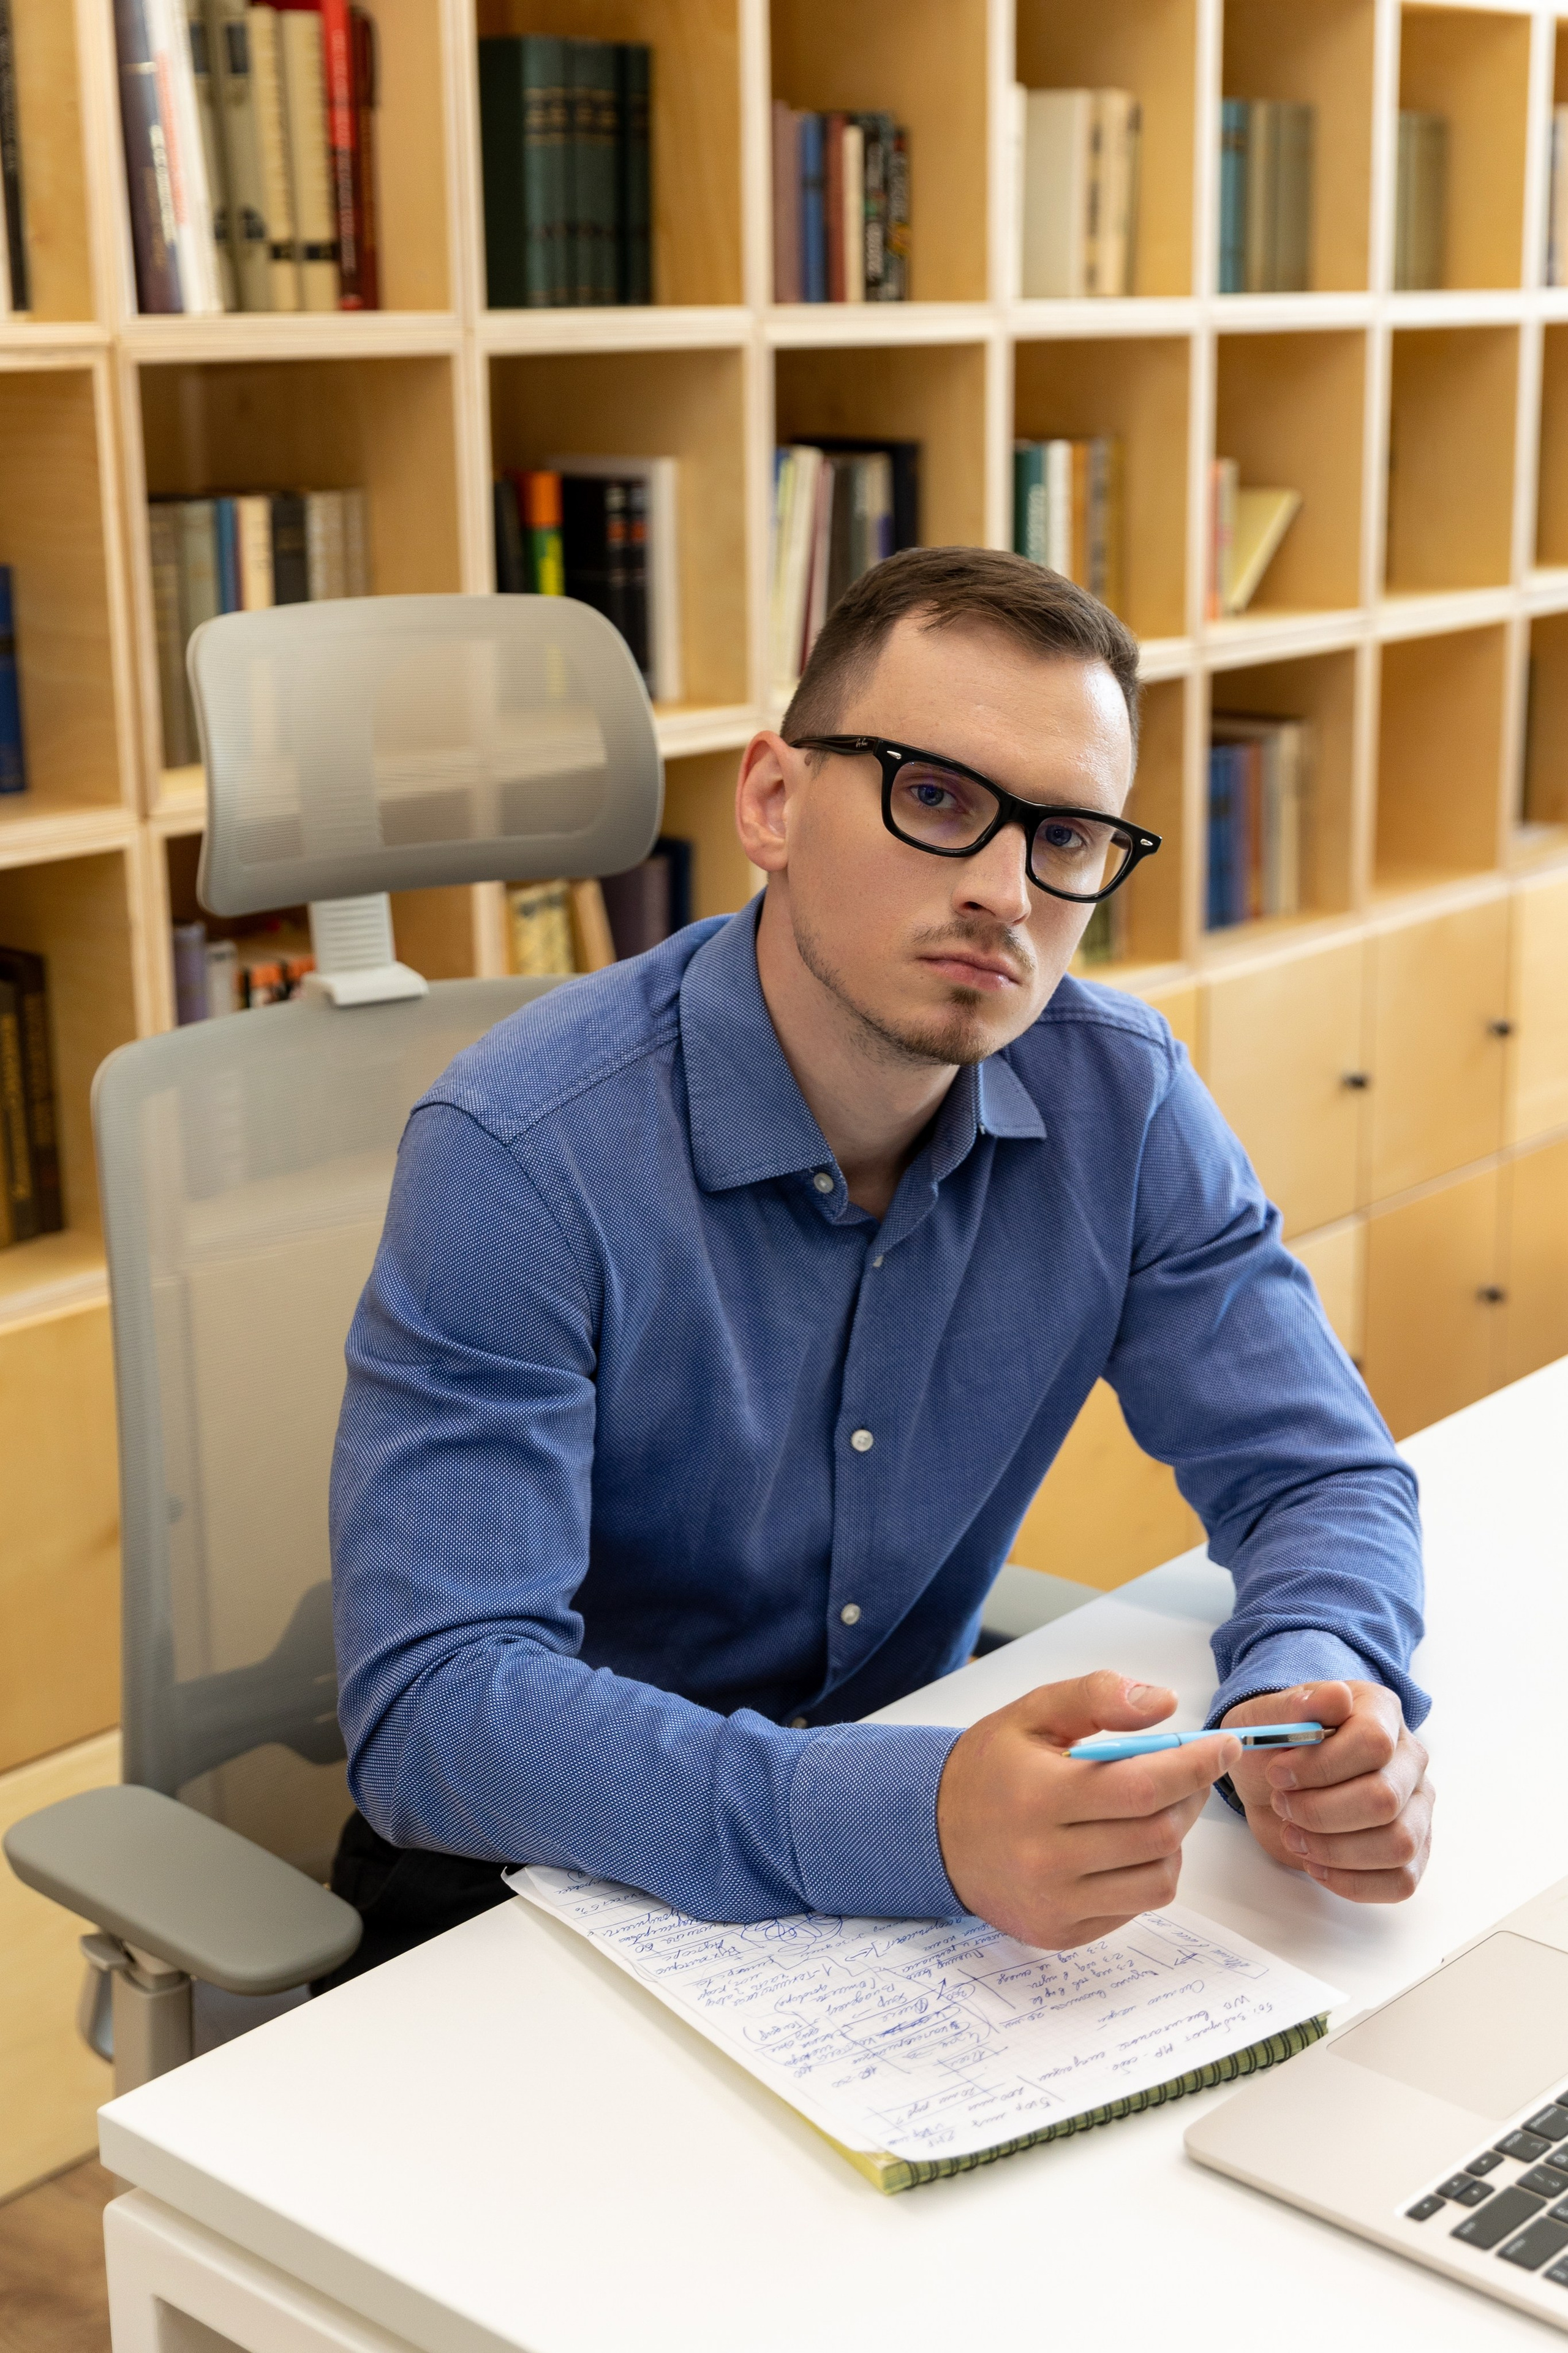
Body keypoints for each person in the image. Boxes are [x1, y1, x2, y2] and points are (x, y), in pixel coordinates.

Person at [324, 546, 1433, 1982]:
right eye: (935, 798)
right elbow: (437, 1710)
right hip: (531, 1901)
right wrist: (909, 1816)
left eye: (1069, 837)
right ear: (772, 800)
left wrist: (1312, 1694)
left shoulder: (1121, 1099)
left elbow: (1317, 1472)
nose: (1001, 892)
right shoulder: (518, 1151)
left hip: (898, 1919)